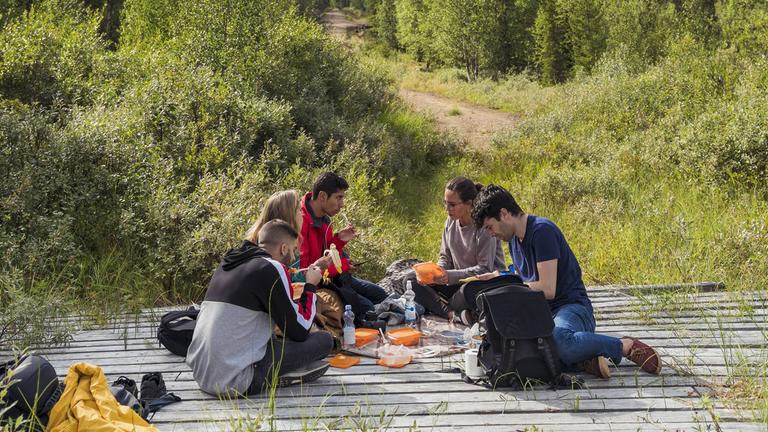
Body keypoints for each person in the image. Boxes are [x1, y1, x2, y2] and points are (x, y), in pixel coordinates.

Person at [471, 184, 662, 379]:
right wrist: (500, 278)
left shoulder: (541, 232)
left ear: (504, 213)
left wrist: (508, 288)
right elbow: (527, 280)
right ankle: (584, 360)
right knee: (515, 345)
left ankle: (624, 346)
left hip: (572, 308)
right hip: (543, 314)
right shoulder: (513, 240)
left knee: (558, 340)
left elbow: (547, 288)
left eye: (489, 227)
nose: (490, 234)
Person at [186, 220, 333, 397]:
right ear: (283, 248)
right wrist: (310, 285)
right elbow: (300, 330)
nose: (294, 258)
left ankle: (276, 370)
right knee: (324, 341)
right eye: (294, 250)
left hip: (202, 376)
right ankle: (274, 376)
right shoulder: (272, 267)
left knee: (272, 339)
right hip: (236, 380)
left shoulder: (229, 263)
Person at [405, 177, 506, 325]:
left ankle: (441, 306)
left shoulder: (484, 226)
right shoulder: (450, 221)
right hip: (457, 282)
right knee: (410, 280)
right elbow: (445, 257)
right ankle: (452, 313)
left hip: (481, 284)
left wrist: (449, 276)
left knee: (467, 292)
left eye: (452, 205)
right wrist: (436, 273)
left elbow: (485, 269)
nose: (447, 209)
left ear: (469, 204)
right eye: (445, 203)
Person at [300, 172, 388, 313]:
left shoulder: (324, 218)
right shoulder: (300, 221)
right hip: (317, 285)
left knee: (380, 294)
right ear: (322, 196)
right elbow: (304, 272)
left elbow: (327, 252)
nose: (342, 205)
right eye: (338, 198)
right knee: (367, 309)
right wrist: (344, 265)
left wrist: (339, 240)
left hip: (332, 277)